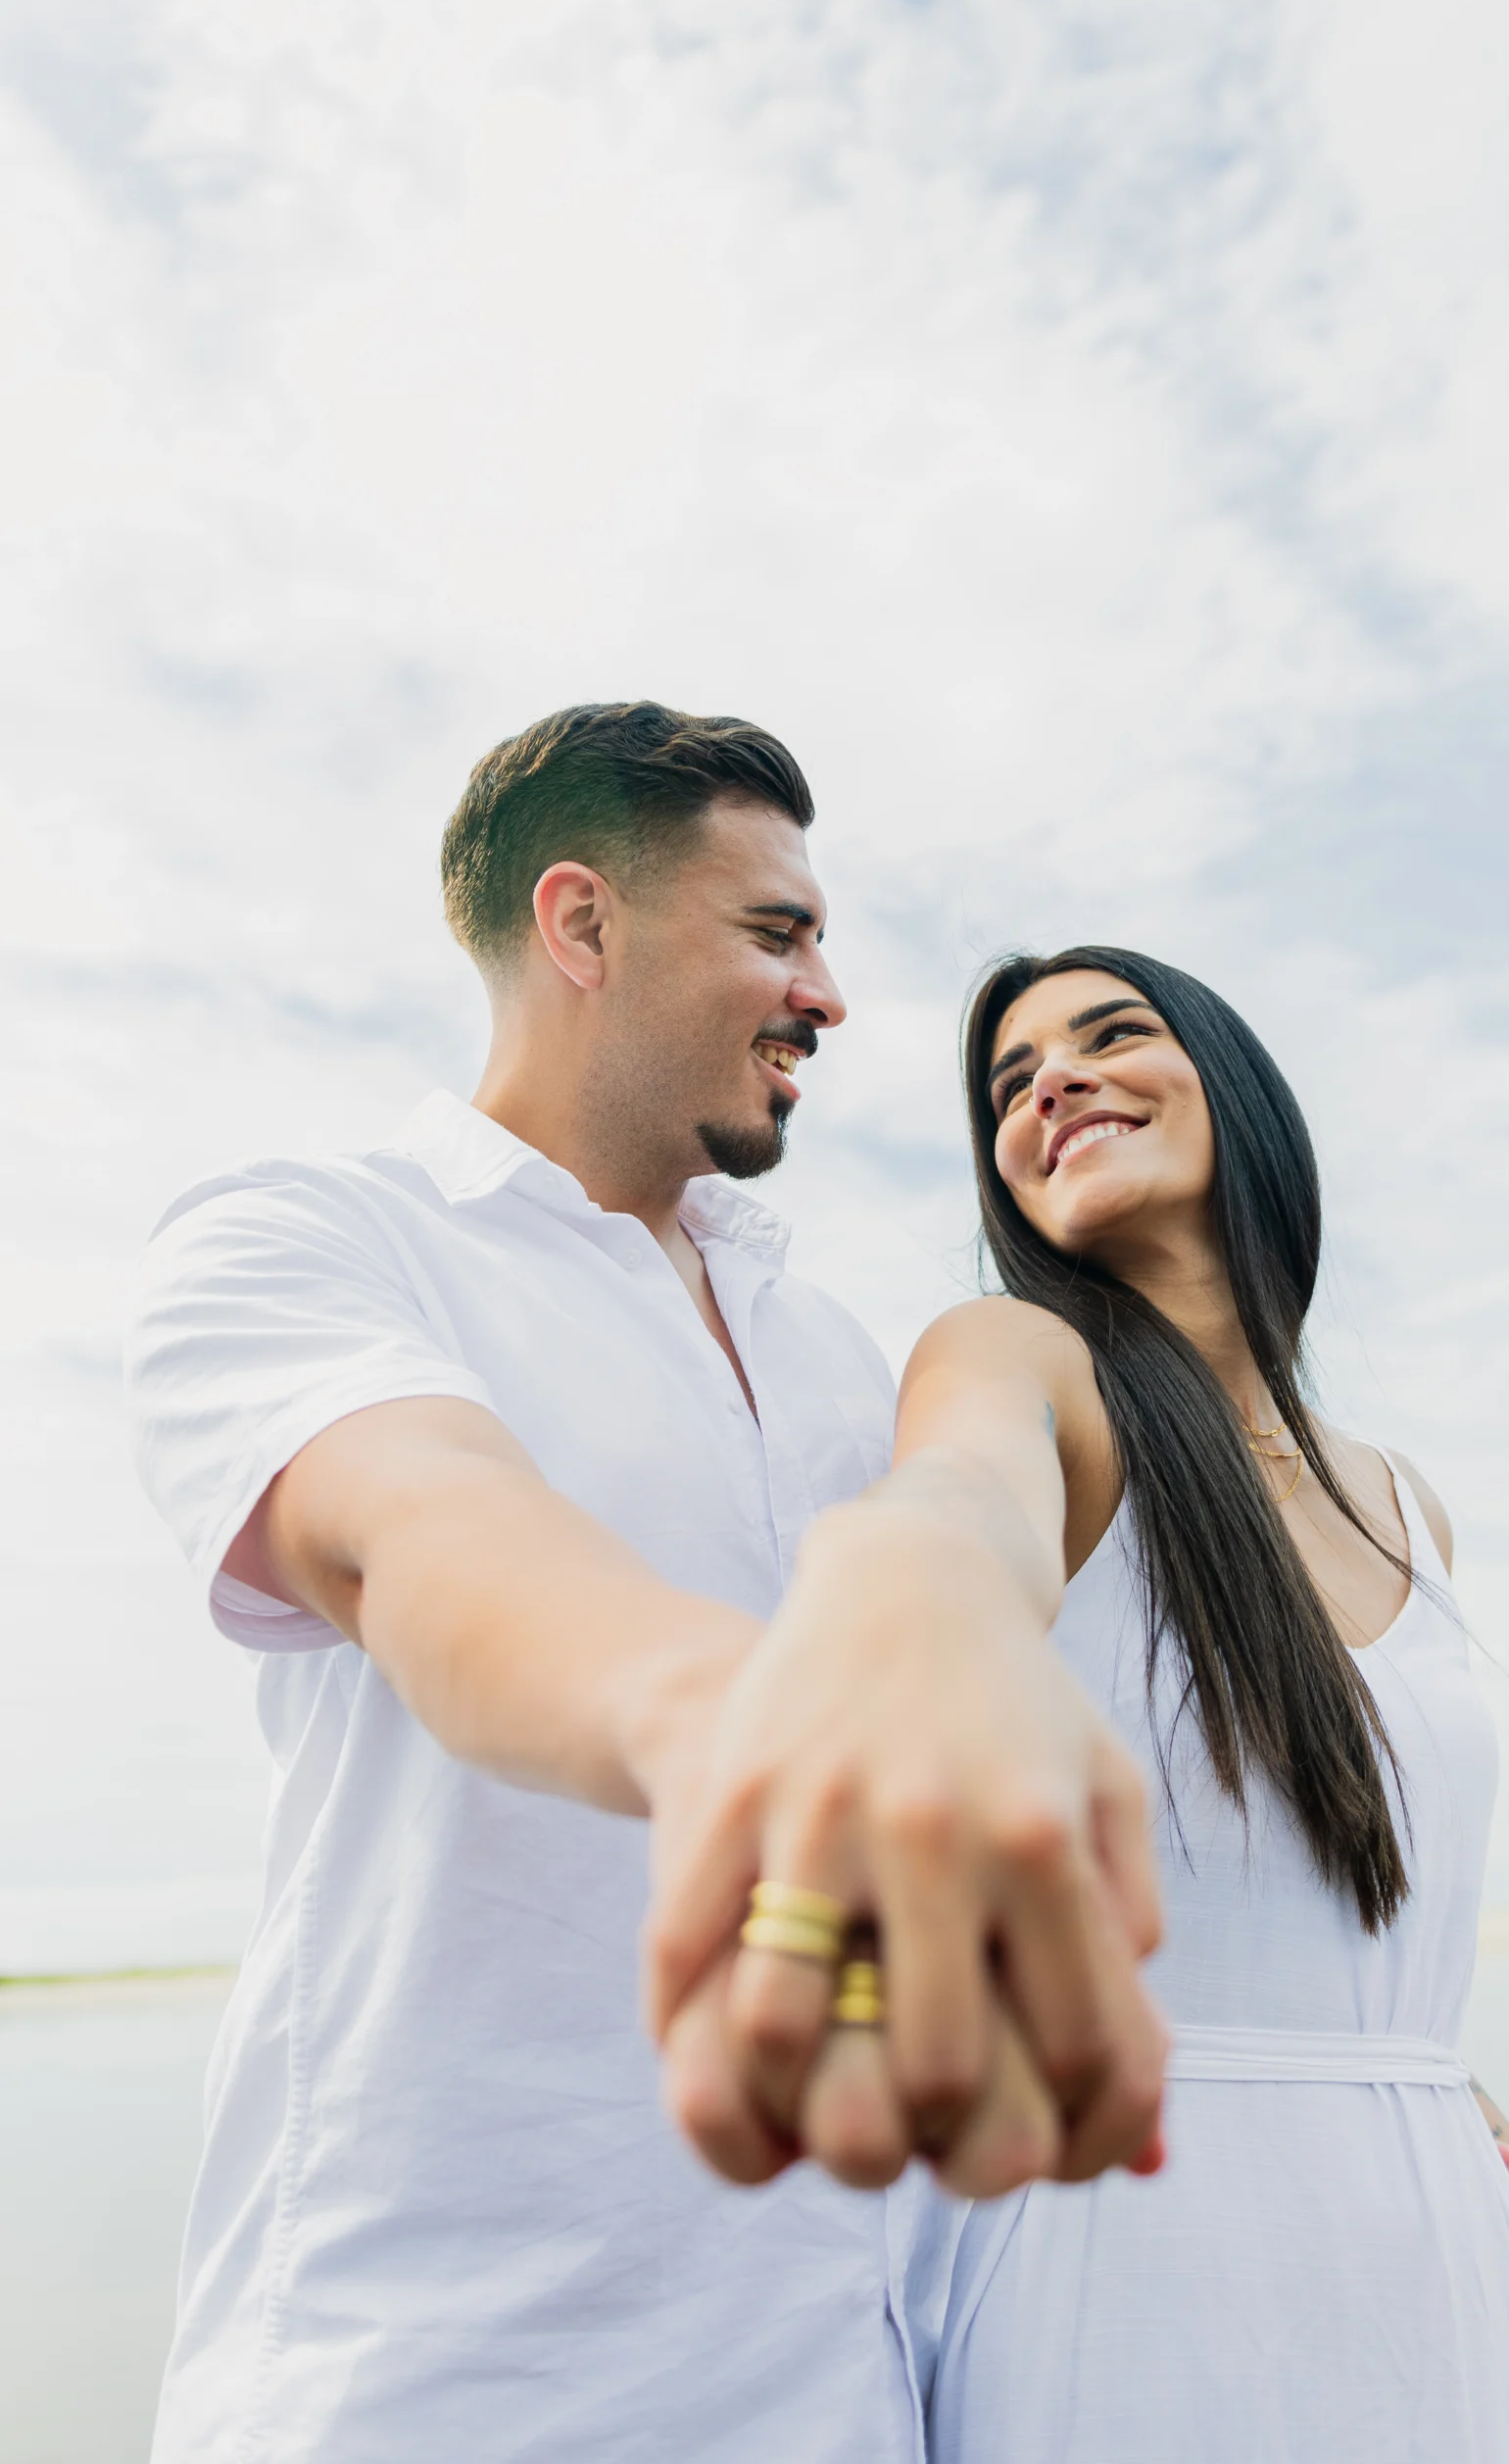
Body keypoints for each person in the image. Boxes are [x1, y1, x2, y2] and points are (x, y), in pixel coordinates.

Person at [124, 712, 1166, 2464]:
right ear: (581, 926)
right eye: (778, 932)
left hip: (848, 2391)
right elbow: (433, 1537)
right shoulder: (313, 1238)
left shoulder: (836, 1357)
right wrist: (766, 1730)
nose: (829, 996)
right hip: (428, 2393)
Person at [806, 943, 1509, 2461]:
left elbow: (1371, 1991)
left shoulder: (1404, 1502)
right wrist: (918, 1601)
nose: (1049, 1084)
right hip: (1136, 2256)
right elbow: (957, 1502)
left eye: (1106, 1036)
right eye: (1010, 1084)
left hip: (1440, 2270)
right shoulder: (1023, 1363)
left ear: (1235, 1092)